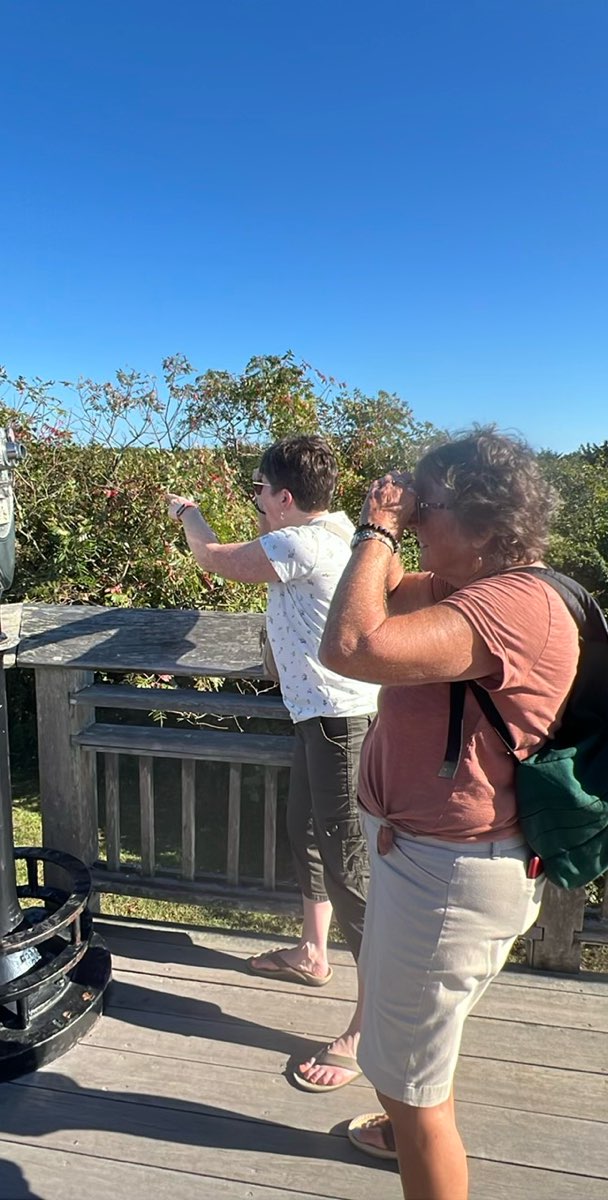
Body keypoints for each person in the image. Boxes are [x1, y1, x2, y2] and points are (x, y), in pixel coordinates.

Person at [319, 427, 579, 1200]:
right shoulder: (463, 585)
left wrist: (376, 525)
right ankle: (401, 1128)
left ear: (482, 523)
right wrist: (390, 519)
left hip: (452, 882)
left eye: (431, 508)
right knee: (417, 1053)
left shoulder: (513, 607)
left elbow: (354, 642)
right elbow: (382, 591)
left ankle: (411, 1134)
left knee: (412, 1084)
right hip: (430, 863)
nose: (417, 521)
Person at [166, 433, 379, 1091]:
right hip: (319, 717)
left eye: (260, 490)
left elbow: (213, 558)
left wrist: (187, 511)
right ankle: (314, 954)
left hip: (340, 726)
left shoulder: (303, 542)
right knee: (307, 834)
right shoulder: (336, 529)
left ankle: (373, 1028)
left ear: (285, 498)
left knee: (351, 872)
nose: (257, 499)